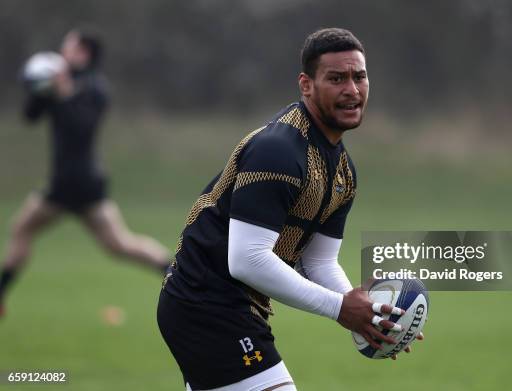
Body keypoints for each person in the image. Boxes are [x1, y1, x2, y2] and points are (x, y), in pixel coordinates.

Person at [157, 28, 423, 391]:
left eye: (359, 77)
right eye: (336, 78)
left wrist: (364, 312)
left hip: (231, 308)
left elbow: (319, 262)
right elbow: (247, 259)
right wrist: (341, 309)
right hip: (205, 305)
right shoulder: (279, 151)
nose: (352, 89)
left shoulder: (344, 171)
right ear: (306, 85)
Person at [0, 28, 171, 318]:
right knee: (119, 245)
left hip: (77, 183)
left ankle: (176, 273)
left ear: (83, 53)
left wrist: (64, 93)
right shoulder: (57, 83)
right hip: (71, 183)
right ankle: (173, 271)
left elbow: (81, 130)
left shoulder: (95, 88)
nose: (63, 52)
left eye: (68, 47)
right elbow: (30, 116)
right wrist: (38, 87)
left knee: (22, 229)